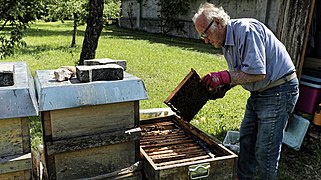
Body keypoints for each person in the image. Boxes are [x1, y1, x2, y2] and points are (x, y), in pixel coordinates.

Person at [192, 2, 299, 180]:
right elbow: (242, 72)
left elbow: (257, 72)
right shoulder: (226, 42)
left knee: (266, 151)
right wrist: (225, 86)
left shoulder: (247, 30)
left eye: (205, 33)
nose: (205, 39)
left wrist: (223, 77)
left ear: (218, 22)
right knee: (246, 141)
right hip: (259, 93)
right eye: (202, 36)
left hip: (279, 90)